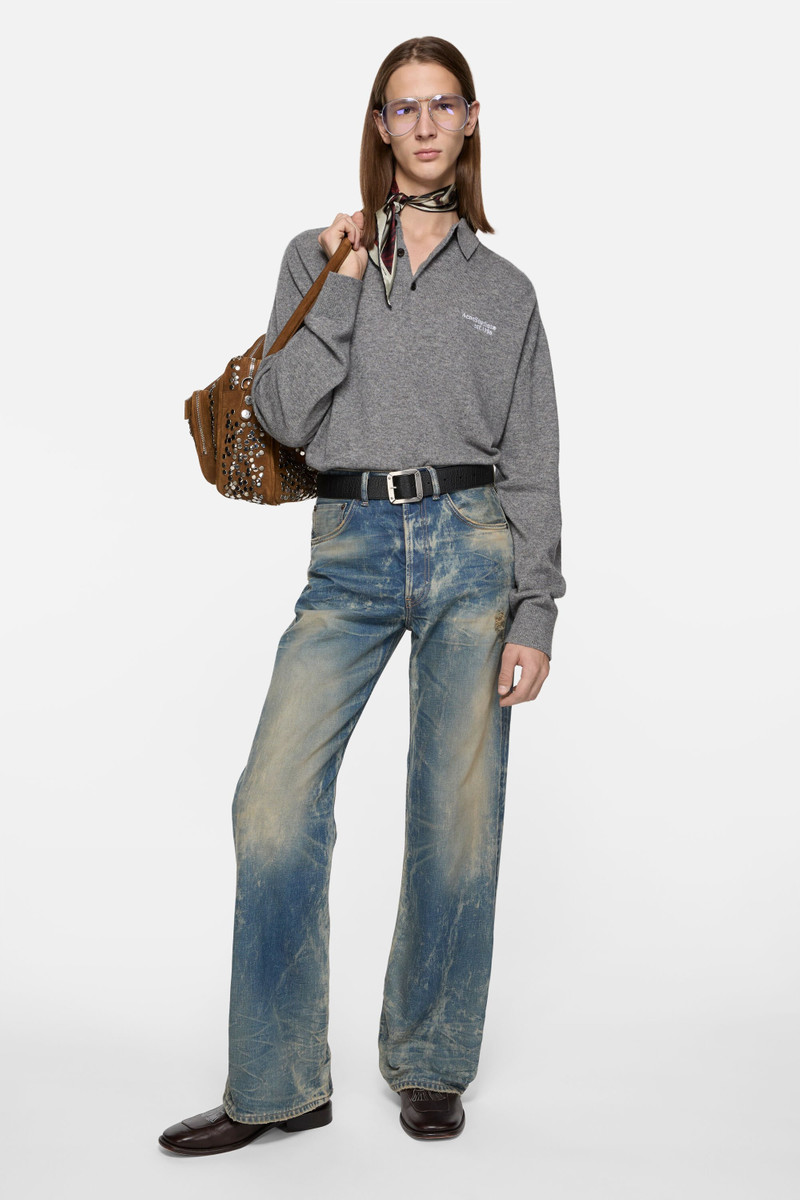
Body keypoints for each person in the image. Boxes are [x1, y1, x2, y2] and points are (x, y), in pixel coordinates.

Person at [159, 33, 566, 1155]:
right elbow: (285, 413)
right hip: (347, 551)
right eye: (403, 106)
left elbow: (532, 460)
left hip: (472, 547)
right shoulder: (316, 253)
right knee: (272, 801)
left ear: (470, 122)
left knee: (456, 816)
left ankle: (430, 1062)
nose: (424, 124)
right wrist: (341, 281)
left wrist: (536, 609)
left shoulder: (506, 291)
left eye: (443, 104)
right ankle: (278, 1082)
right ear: (379, 126)